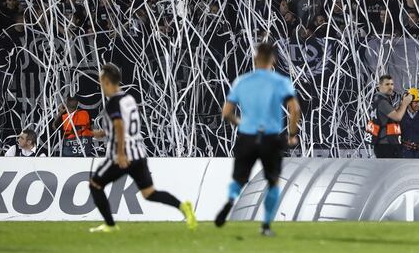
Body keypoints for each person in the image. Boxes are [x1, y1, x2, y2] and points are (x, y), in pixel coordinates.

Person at [88, 63, 197, 233]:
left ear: (107, 82)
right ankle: (184, 207)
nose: (100, 85)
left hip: (122, 156)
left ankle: (110, 225)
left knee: (95, 184)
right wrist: (102, 133)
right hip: (139, 153)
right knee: (149, 193)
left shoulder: (112, 104)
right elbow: (124, 126)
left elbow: (119, 126)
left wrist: (121, 154)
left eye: (101, 81)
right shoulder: (129, 99)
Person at [214, 42, 302, 236]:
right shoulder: (280, 82)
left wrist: (242, 124)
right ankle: (266, 226)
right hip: (270, 138)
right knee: (273, 182)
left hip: (247, 135)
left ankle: (230, 200)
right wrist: (292, 134)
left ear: (255, 60)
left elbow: (226, 112)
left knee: (239, 178)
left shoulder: (241, 81)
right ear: (273, 60)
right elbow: (294, 109)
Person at [366, 75, 413, 158]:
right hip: (386, 144)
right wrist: (405, 103)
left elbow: (392, 114)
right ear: (379, 86)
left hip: (384, 143)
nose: (390, 87)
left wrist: (402, 104)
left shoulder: (379, 99)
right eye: (387, 84)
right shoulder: (382, 102)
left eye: (392, 84)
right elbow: (397, 117)